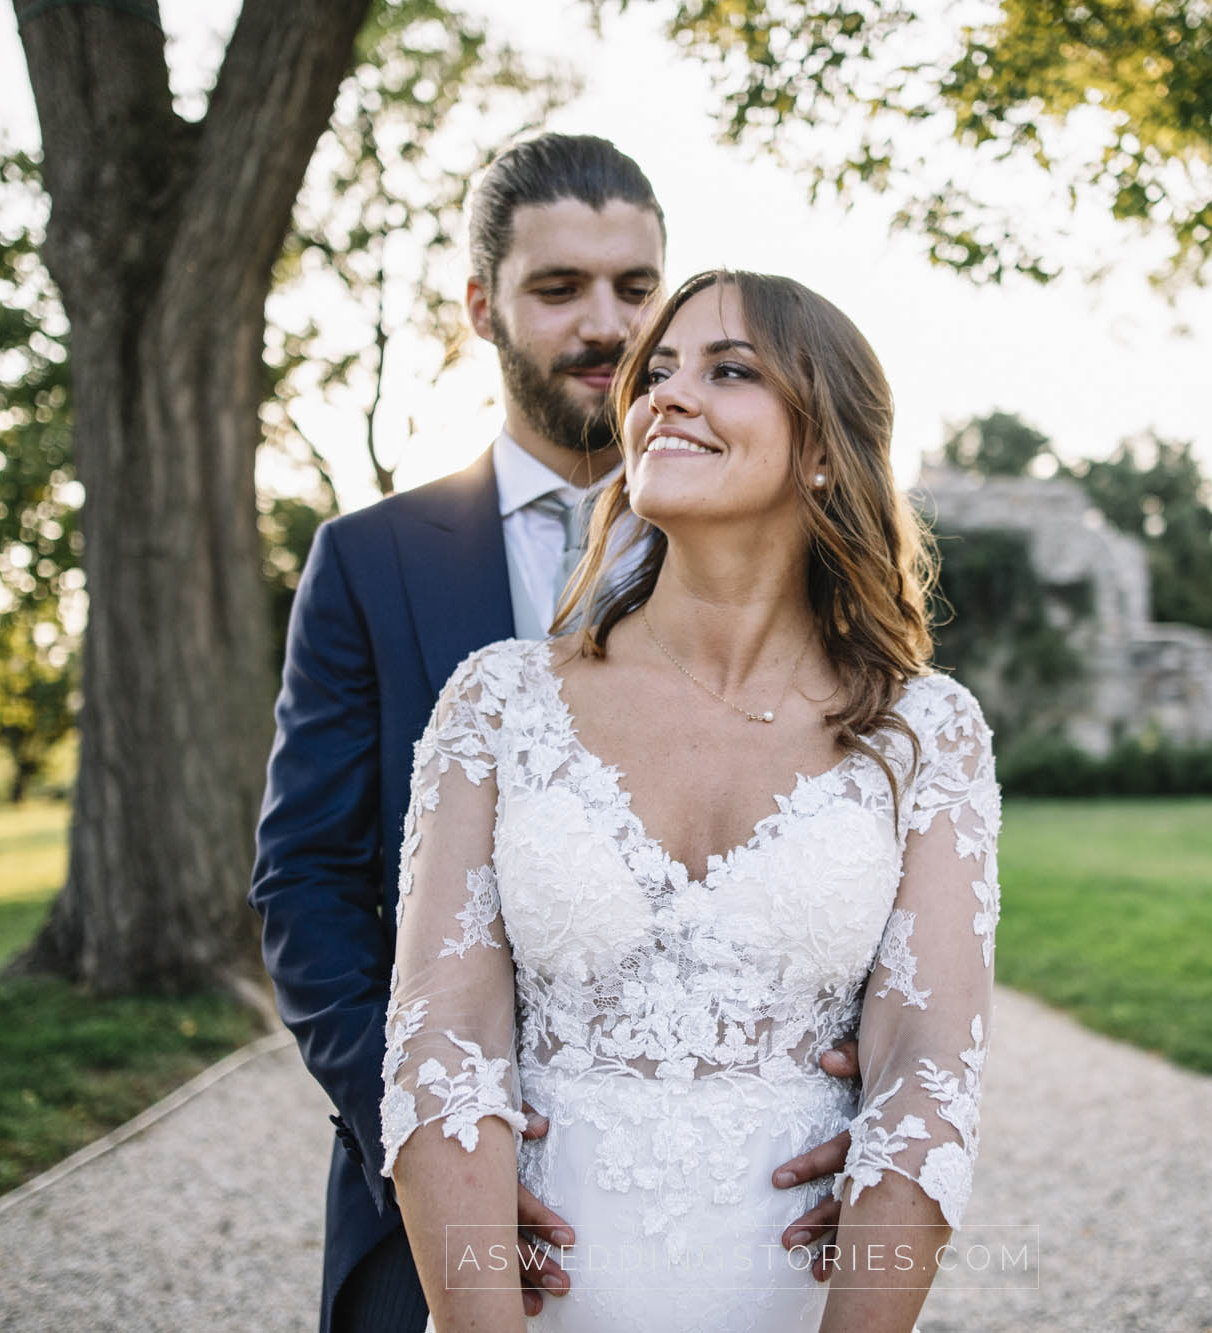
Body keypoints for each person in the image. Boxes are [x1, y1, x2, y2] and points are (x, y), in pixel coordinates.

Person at [250, 137, 861, 1333]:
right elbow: (306, 878)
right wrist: (430, 1131)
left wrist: (860, 1085)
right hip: (426, 1194)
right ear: (481, 308)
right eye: (557, 288)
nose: (606, 326)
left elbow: (865, 838)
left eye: (635, 287)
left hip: (751, 1211)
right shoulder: (369, 560)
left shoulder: (767, 542)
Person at [378, 269, 1002, 1331]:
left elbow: (926, 1076)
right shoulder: (498, 702)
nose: (666, 393)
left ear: (822, 448)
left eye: (729, 370)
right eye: (657, 372)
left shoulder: (925, 731)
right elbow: (441, 1044)